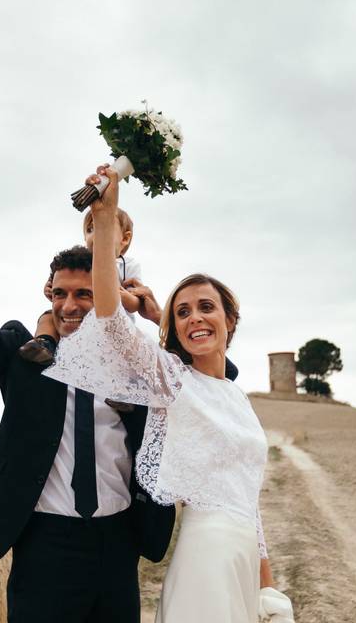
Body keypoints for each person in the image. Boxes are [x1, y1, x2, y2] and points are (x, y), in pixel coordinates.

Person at [0, 140, 238, 623]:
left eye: (86, 295)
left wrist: (158, 321)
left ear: (107, 295)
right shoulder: (21, 354)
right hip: (44, 547)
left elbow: (219, 378)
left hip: (119, 543)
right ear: (48, 294)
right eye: (61, 293)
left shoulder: (137, 364)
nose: (70, 306)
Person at [43, 164, 290, 622]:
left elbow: (248, 505)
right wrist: (105, 218)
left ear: (229, 320)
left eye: (206, 307)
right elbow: (113, 320)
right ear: (171, 327)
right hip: (206, 560)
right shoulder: (172, 381)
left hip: (242, 563)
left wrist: (269, 588)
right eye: (182, 312)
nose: (195, 317)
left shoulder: (238, 399)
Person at [20, 208, 143, 365]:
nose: (96, 235)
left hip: (114, 328)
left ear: (124, 239)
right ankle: (44, 343)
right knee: (48, 316)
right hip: (87, 324)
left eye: (104, 228)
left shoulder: (127, 266)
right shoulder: (83, 265)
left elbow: (135, 304)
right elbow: (60, 288)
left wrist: (110, 291)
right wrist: (50, 289)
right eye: (91, 230)